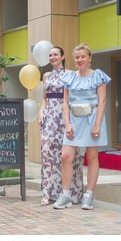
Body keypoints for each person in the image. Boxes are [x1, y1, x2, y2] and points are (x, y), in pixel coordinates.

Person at [53, 43, 111, 210]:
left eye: (83, 56)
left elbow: (102, 102)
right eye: (77, 57)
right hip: (74, 120)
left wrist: (97, 125)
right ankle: (65, 195)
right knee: (66, 156)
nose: (80, 60)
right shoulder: (69, 77)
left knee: (92, 158)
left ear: (89, 58)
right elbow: (65, 103)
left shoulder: (98, 76)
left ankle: (89, 195)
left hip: (92, 119)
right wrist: (67, 124)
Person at [38, 46, 83, 206]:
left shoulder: (71, 74)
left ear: (62, 57)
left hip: (65, 117)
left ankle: (69, 193)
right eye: (50, 55)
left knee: (66, 155)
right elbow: (44, 98)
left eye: (55, 54)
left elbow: (73, 97)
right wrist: (41, 111)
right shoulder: (46, 76)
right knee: (48, 154)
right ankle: (47, 193)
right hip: (49, 117)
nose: (52, 57)